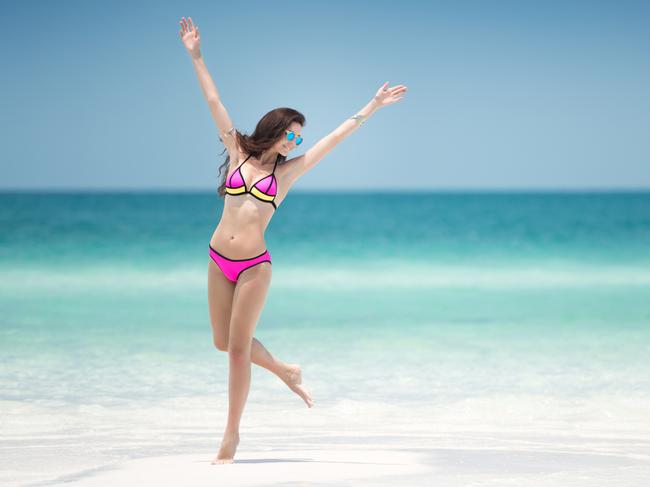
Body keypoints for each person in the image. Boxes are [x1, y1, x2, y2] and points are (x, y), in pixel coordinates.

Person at [179, 16, 407, 465]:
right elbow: (213, 99)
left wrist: (373, 106)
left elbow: (335, 138)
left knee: (238, 351)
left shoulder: (288, 172)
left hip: (253, 268)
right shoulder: (237, 151)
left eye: (299, 136)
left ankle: (231, 436)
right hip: (216, 259)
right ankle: (285, 369)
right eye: (292, 133)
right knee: (222, 343)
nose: (297, 140)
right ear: (276, 128)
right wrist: (196, 54)